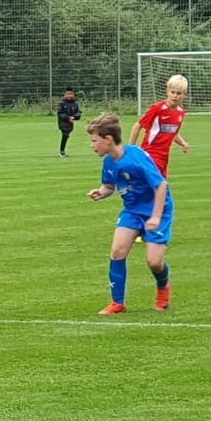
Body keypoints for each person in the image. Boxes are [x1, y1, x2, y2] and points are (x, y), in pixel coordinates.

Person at [84, 113, 173, 316]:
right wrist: (101, 193)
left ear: (108, 140)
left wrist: (156, 217)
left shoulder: (135, 158)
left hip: (157, 210)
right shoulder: (109, 161)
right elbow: (109, 186)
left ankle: (163, 284)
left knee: (154, 262)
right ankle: (118, 303)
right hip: (132, 210)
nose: (92, 145)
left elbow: (161, 185)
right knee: (117, 251)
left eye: (94, 141)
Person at [129, 74, 191, 177]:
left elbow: (173, 133)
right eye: (173, 92)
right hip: (150, 153)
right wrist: (131, 149)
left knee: (160, 188)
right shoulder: (157, 108)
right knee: (159, 187)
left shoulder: (181, 113)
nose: (175, 96)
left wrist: (183, 143)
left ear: (184, 95)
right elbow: (138, 125)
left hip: (164, 157)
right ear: (167, 91)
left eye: (179, 93)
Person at [56, 87, 82, 157]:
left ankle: (62, 151)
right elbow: (60, 113)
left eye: (70, 94)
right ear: (65, 94)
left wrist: (74, 117)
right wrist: (68, 118)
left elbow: (78, 112)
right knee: (65, 134)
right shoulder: (61, 103)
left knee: (66, 135)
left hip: (70, 123)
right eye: (67, 94)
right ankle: (62, 152)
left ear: (73, 94)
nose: (69, 95)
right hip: (63, 122)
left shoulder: (75, 103)